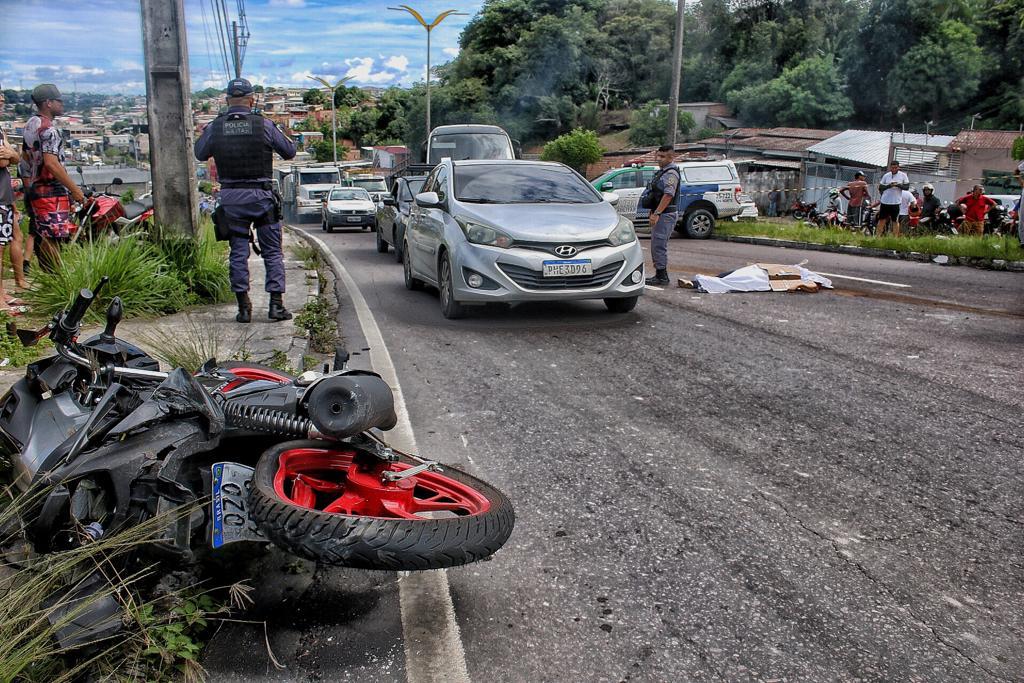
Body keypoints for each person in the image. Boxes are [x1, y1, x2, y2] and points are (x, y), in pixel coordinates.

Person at [194, 78, 296, 322]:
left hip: (231, 201)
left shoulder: (215, 127)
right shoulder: (264, 125)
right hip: (261, 197)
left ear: (227, 101)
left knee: (238, 253)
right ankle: (275, 306)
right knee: (272, 252)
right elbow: (290, 152)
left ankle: (243, 308)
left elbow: (200, 153)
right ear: (252, 100)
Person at [22, 84, 85, 271]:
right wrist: (75, 190)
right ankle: (57, 278)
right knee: (53, 235)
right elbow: (51, 163)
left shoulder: (30, 124)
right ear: (48, 103)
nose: (62, 104)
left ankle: (50, 278)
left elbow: (25, 158)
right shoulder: (50, 130)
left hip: (36, 187)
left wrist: (28, 186)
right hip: (50, 188)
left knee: (44, 234)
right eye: (59, 101)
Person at [0, 89, 28, 310]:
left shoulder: (1, 129)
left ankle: (3, 292)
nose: (1, 100)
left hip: (5, 195)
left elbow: (15, 158)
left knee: (12, 237)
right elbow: (3, 161)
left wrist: (10, 153)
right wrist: (9, 154)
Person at [642, 145, 680, 286]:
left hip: (666, 214)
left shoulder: (671, 173)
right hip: (661, 213)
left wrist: (657, 213)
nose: (659, 159)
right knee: (656, 244)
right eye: (658, 156)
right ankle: (659, 274)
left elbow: (668, 194)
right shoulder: (662, 172)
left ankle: (662, 276)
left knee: (659, 245)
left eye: (662, 157)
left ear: (671, 157)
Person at [876, 159, 909, 236]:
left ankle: (895, 237)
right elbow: (881, 187)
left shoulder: (903, 175)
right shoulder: (886, 175)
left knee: (895, 220)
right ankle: (877, 236)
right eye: (892, 167)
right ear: (890, 167)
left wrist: (898, 185)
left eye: (895, 167)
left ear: (898, 167)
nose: (894, 169)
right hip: (885, 201)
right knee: (882, 220)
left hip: (896, 202)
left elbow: (907, 187)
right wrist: (889, 186)